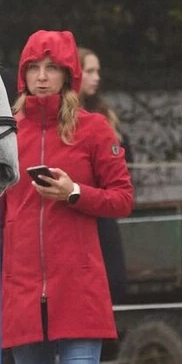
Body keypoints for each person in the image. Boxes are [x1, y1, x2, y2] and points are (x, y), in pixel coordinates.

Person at [2, 30, 134, 364]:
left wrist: (76, 192)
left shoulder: (95, 129)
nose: (40, 76)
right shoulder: (5, 133)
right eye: (33, 67)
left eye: (50, 68)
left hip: (76, 284)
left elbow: (122, 198)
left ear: (67, 75)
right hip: (21, 286)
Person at [77, 47, 131, 316]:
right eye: (89, 71)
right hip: (79, 208)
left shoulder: (105, 116)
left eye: (97, 71)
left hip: (104, 206)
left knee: (114, 279)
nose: (96, 77)